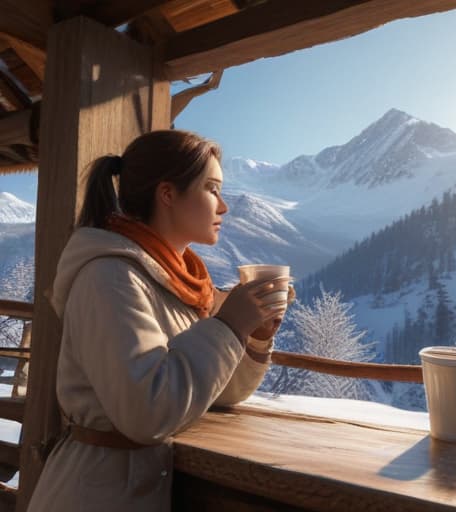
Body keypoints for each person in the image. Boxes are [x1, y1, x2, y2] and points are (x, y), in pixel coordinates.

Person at [27, 130, 291, 512]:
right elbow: (147, 412)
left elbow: (211, 392)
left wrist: (253, 336)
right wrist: (229, 325)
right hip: (98, 493)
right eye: (212, 189)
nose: (224, 207)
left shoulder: (179, 281)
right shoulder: (110, 277)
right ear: (167, 194)